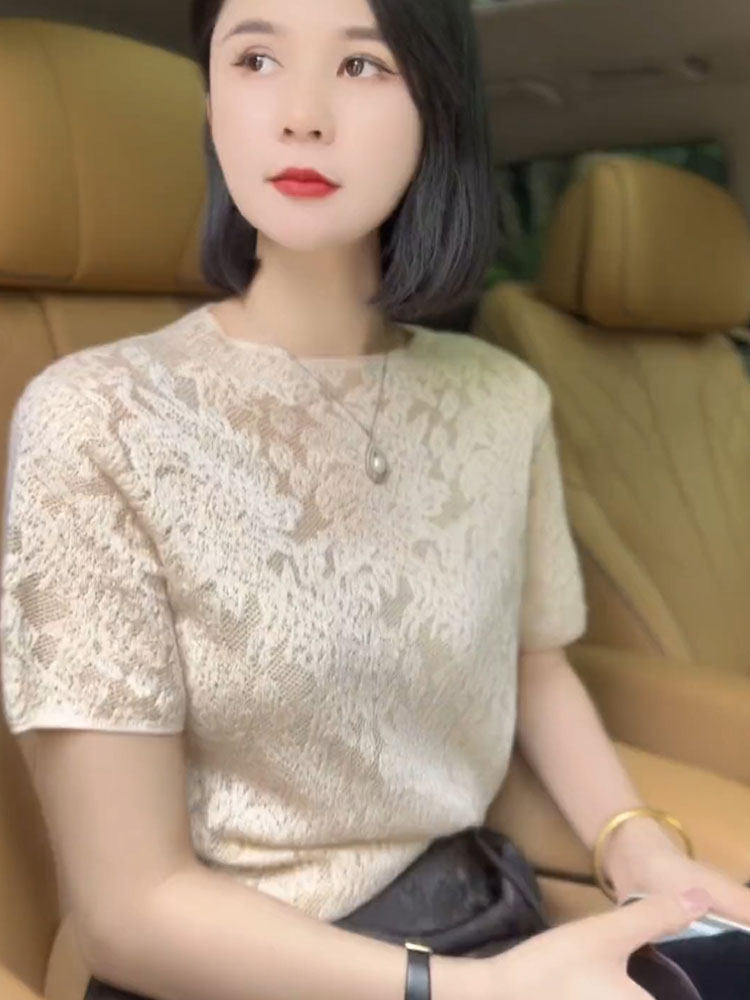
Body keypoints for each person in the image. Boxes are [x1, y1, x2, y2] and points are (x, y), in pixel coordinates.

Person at [1, 0, 749, 998]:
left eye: (362, 66)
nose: (302, 114)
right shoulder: (96, 418)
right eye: (255, 59)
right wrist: (479, 992)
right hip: (237, 970)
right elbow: (130, 912)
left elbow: (533, 667)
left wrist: (635, 841)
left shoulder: (502, 397)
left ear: (437, 108)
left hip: (480, 914)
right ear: (212, 100)